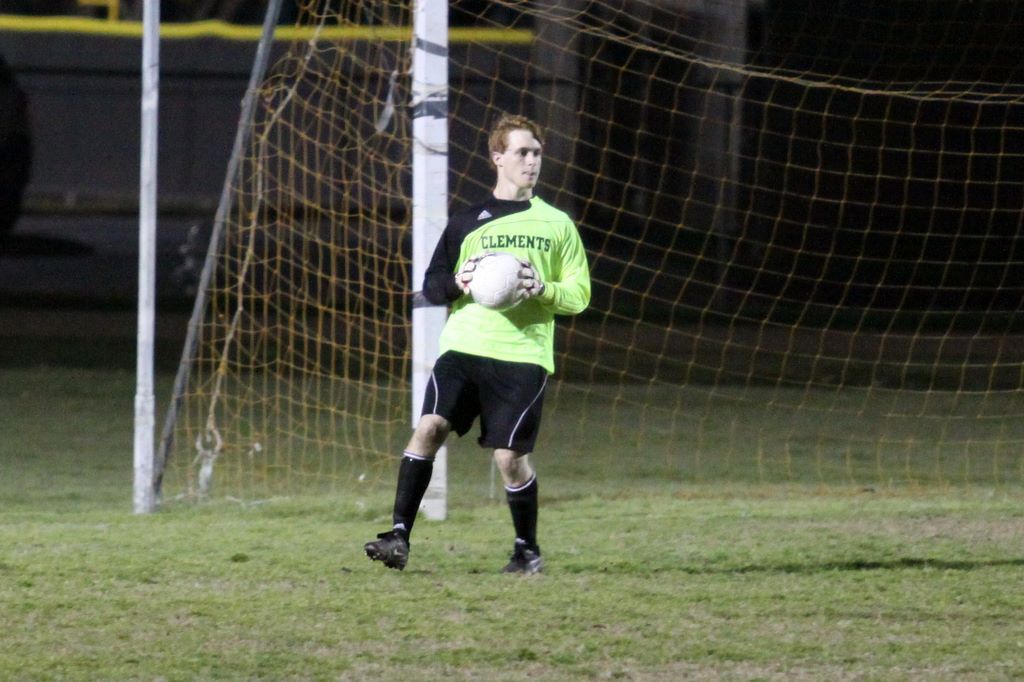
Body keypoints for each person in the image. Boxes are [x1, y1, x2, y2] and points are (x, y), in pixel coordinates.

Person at [364, 113, 591, 574]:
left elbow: (579, 295)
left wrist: (542, 288)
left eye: (537, 153)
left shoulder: (557, 224)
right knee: (429, 427)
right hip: (464, 348)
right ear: (498, 157)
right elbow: (432, 286)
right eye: (522, 152)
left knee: (510, 459)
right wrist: (460, 281)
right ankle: (398, 536)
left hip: (523, 354)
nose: (532, 162)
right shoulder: (467, 223)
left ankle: (526, 551)